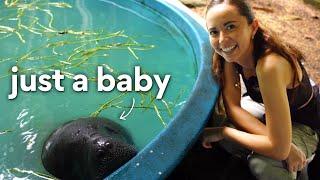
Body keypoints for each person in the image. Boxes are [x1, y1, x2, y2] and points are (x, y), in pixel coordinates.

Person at [201, 0, 320, 179]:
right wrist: (283, 147)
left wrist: (224, 133)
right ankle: (285, 157)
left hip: (306, 124)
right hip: (270, 113)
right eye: (214, 32)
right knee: (219, 120)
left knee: (265, 164)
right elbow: (233, 108)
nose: (222, 39)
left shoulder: (269, 65)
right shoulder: (230, 52)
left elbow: (279, 150)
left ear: (253, 26)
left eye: (231, 26)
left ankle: (301, 165)